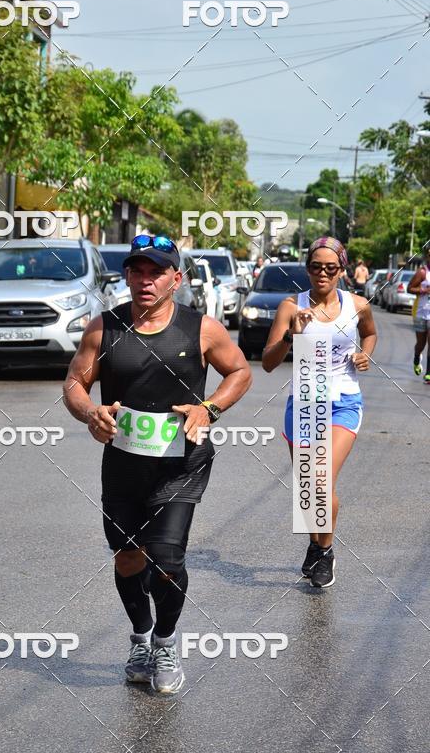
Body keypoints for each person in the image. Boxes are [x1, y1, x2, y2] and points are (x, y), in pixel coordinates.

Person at [63, 234, 252, 693]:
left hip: (182, 464)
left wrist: (210, 408)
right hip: (124, 464)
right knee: (128, 556)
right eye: (138, 271)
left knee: (166, 558)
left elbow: (240, 371)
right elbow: (74, 383)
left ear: (175, 279)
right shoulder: (103, 329)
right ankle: (141, 638)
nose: (145, 281)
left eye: (156, 273)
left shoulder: (201, 329)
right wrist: (90, 413)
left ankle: (166, 642)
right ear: (127, 276)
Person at [262, 237, 377, 588]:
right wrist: (291, 336)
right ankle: (316, 544)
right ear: (307, 269)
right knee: (307, 487)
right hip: (304, 404)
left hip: (344, 402)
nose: (322, 273)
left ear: (342, 270)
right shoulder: (290, 307)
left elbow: (370, 334)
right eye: (315, 267)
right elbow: (267, 363)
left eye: (330, 268)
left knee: (321, 481)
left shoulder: (357, 305)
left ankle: (325, 551)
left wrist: (365, 355)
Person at [407, 249, 430, 382]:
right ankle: (417, 357)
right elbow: (409, 288)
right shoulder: (422, 272)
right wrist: (424, 290)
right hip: (421, 312)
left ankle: (428, 372)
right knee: (421, 344)